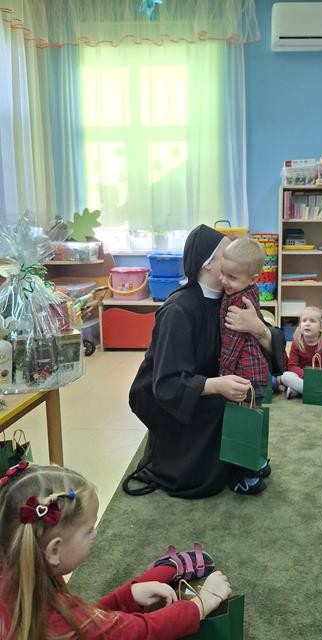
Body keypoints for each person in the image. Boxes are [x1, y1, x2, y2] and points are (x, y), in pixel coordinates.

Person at [126, 224, 285, 498]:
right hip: (180, 404)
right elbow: (166, 384)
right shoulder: (178, 311)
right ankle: (231, 466)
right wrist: (218, 385)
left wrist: (258, 328)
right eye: (227, 253)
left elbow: (274, 346)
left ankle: (243, 460)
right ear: (209, 264)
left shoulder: (236, 297)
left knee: (255, 389)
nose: (235, 257)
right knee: (227, 400)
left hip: (217, 386)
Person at [0, 461, 231, 639]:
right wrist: (200, 604)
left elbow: (87, 622)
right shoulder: (59, 622)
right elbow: (141, 632)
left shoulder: (17, 573)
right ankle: (164, 571)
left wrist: (127, 596)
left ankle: (161, 572)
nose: (95, 534)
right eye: (88, 530)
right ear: (54, 551)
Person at [219, 236, 269, 404]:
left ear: (253, 279)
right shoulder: (246, 289)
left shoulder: (240, 303)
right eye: (222, 272)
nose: (223, 280)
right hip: (251, 374)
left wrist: (223, 373)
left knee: (241, 417)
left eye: (231, 277)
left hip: (245, 376)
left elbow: (232, 342)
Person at [279, 306, 322, 403]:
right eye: (304, 321)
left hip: (320, 378)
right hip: (302, 377)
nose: (307, 323)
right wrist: (307, 376)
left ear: (321, 327)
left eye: (312, 321)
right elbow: (292, 366)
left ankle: (299, 391)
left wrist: (316, 377)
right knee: (285, 376)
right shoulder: (296, 342)